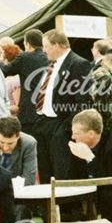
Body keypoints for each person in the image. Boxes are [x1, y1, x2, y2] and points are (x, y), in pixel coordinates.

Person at [33, 29, 93, 182]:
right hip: (43, 122)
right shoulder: (51, 64)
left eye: (46, 46)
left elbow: (83, 102)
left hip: (61, 124)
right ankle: (47, 204)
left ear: (57, 45)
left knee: (62, 172)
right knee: (45, 169)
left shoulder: (79, 64)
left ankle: (65, 206)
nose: (43, 50)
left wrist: (65, 128)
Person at [1, 28, 49, 138]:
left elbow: (5, 71)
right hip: (47, 112)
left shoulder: (25, 57)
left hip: (28, 112)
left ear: (27, 44)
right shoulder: (49, 57)